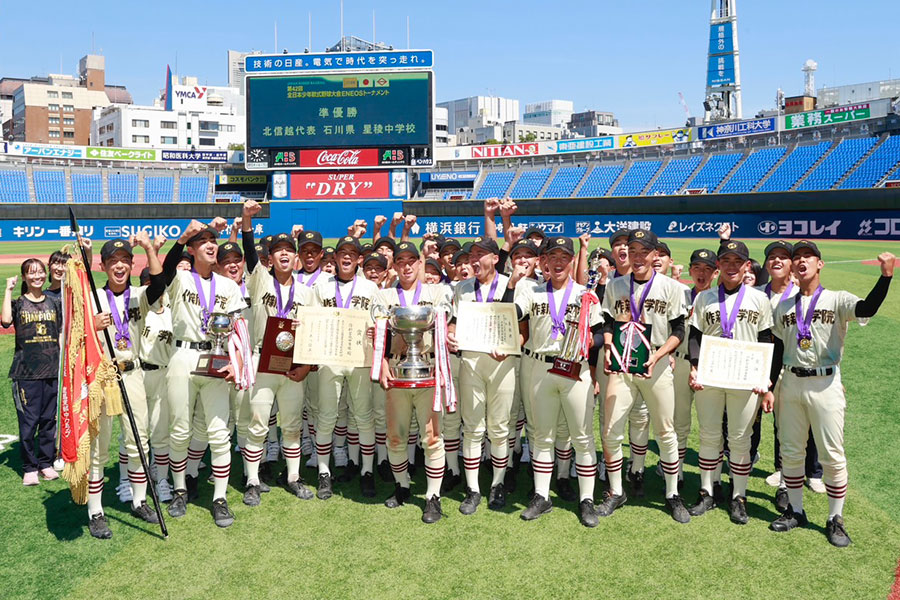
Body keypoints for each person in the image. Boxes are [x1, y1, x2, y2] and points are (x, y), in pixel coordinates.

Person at [767, 242, 894, 547]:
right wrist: (770, 386)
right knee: (791, 452)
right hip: (791, 381)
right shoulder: (783, 306)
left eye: (807, 257)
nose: (800, 261)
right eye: (796, 257)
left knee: (832, 455)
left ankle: (835, 517)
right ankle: (796, 511)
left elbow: (867, 308)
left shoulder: (837, 299)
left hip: (825, 383)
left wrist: (886, 277)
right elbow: (779, 348)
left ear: (819, 264)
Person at [160, 219, 247, 528]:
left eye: (214, 240)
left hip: (216, 358)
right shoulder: (180, 278)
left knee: (219, 432)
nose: (212, 245)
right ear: (192, 249)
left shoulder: (228, 285)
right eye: (204, 241)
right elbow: (165, 270)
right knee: (180, 430)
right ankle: (181, 489)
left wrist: (235, 363)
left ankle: (220, 498)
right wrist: (182, 236)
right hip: (183, 355)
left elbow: (239, 330)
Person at [599, 229, 690, 523]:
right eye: (633, 251)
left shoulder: (671, 287)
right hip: (623, 368)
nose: (637, 257)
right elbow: (608, 322)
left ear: (655, 255)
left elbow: (679, 330)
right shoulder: (615, 286)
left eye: (643, 252)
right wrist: (609, 343)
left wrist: (659, 355)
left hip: (656, 364)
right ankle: (616, 491)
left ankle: (672, 494)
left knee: (665, 431)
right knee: (611, 429)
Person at [514, 236, 601, 527]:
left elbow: (600, 333)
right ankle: (541, 496)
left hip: (576, 371)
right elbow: (514, 312)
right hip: (540, 367)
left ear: (573, 261)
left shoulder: (586, 293)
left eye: (565, 256)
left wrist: (591, 339)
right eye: (553, 256)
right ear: (544, 262)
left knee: (582, 436)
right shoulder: (532, 291)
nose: (559, 262)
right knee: (541, 435)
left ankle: (586, 499)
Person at [687, 240, 775, 524]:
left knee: (740, 439)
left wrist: (765, 378)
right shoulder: (705, 297)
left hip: (745, 378)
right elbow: (695, 336)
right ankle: (706, 491)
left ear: (747, 265)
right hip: (711, 376)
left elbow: (765, 340)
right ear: (719, 266)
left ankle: (739, 496)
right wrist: (694, 367)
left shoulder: (759, 299)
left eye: (738, 261)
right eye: (726, 261)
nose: (732, 266)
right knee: (710, 435)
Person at [87, 235, 167, 537]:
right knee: (100, 446)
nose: (119, 265)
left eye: (124, 260)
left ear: (132, 265)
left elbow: (159, 285)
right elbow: (73, 333)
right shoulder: (93, 295)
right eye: (112, 261)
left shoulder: (139, 294)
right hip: (104, 375)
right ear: (103, 266)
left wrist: (149, 249)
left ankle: (138, 500)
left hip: (132, 373)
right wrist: (91, 326)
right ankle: (95, 510)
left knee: (138, 440)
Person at [239, 202, 315, 506]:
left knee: (292, 424)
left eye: (289, 250)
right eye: (278, 250)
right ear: (269, 258)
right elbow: (247, 252)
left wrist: (307, 366)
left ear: (296, 258)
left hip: (294, 367)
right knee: (258, 423)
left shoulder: (308, 293)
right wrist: (247, 220)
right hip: (263, 363)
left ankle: (293, 477)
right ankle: (253, 480)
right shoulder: (260, 281)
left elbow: (315, 335)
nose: (284, 253)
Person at [372, 241, 451, 523]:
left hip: (428, 368)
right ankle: (402, 485)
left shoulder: (438, 291)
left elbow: (448, 324)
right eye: (400, 261)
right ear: (394, 265)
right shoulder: (384, 296)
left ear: (420, 263)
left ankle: (432, 496)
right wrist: (381, 364)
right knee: (395, 436)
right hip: (396, 368)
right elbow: (377, 337)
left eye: (411, 261)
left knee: (431, 437)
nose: (406, 266)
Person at [448, 237, 516, 514]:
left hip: (502, 363)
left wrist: (510, 343)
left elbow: (519, 325)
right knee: (473, 427)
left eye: (480, 254)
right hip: (471, 362)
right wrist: (451, 338)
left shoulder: (511, 284)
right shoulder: (462, 288)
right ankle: (473, 488)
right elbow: (453, 324)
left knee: (499, 429)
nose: (474, 260)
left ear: (494, 258)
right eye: (471, 255)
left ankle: (497, 485)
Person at [757, 240, 823, 512]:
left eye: (783, 257)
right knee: (782, 424)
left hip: (801, 365)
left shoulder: (803, 292)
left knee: (810, 419)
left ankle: (815, 471)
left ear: (791, 264)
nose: (777, 261)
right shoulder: (757, 293)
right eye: (772, 257)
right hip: (770, 365)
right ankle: (781, 469)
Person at [312, 235, 380, 499]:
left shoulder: (369, 287)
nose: (347, 257)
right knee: (327, 416)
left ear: (359, 259)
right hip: (329, 357)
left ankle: (366, 471)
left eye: (353, 253)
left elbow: (381, 318)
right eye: (343, 253)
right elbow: (311, 319)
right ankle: (324, 472)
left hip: (360, 356)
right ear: (336, 257)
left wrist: (378, 331)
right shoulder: (322, 286)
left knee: (363, 416)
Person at [2, 259, 62, 486]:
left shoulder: (53, 303)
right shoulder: (19, 304)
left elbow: (60, 334)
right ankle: (29, 466)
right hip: (26, 373)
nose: (36, 276)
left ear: (45, 275)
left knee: (49, 421)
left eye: (40, 272)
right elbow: (6, 321)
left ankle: (45, 463)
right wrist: (8, 290)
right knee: (29, 422)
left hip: (51, 370)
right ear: (25, 277)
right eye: (31, 273)